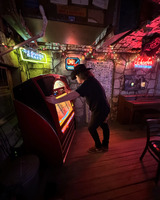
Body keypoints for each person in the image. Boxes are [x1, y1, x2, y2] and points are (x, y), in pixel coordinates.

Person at [45, 64, 110, 153]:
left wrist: (55, 100)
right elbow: (78, 92)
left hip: (100, 109)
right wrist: (70, 92)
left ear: (80, 75)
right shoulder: (90, 81)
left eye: (76, 77)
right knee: (104, 125)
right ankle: (105, 145)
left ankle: (99, 147)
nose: (76, 79)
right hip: (103, 107)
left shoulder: (88, 83)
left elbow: (75, 94)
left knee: (91, 128)